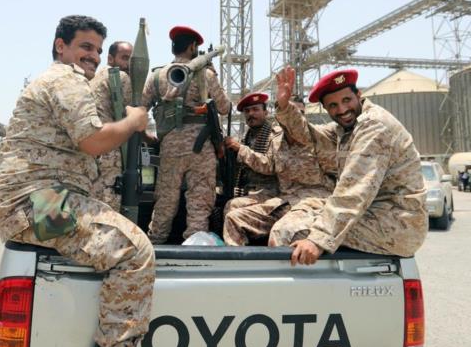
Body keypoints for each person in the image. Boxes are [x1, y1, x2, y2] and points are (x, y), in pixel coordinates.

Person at [0, 15, 154, 347]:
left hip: (31, 203)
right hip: (37, 206)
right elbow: (93, 141)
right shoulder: (66, 77)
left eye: (97, 49)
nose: (92, 56)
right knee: (134, 251)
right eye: (85, 47)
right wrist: (134, 121)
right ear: (61, 46)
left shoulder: (61, 80)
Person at [268, 66, 428, 266]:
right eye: (333, 105)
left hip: (395, 222)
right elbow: (308, 136)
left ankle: (300, 295)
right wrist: (284, 106)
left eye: (346, 100)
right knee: (295, 215)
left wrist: (318, 239)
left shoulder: (374, 126)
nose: (342, 110)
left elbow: (354, 191)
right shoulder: (346, 129)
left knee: (291, 233)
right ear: (326, 109)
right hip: (373, 213)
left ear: (359, 95)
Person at [141, 26, 232, 244]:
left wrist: (147, 137)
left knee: (165, 200)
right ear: (193, 47)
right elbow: (225, 108)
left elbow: (139, 109)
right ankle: (194, 246)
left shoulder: (156, 76)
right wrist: (213, 74)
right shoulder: (206, 75)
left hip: (169, 146)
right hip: (200, 148)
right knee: (199, 203)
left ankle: (154, 244)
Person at [222, 94, 337, 246]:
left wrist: (241, 150)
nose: (294, 118)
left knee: (282, 231)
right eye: (288, 113)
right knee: (233, 216)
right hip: (286, 200)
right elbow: (270, 164)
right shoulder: (277, 142)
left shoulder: (321, 139)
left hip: (313, 201)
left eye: (298, 113)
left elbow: (342, 174)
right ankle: (239, 263)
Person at [89, 41, 135, 211]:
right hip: (109, 149)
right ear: (110, 58)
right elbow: (132, 114)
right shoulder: (121, 78)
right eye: (124, 58)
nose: (128, 64)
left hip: (90, 146)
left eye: (131, 60)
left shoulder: (94, 77)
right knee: (110, 202)